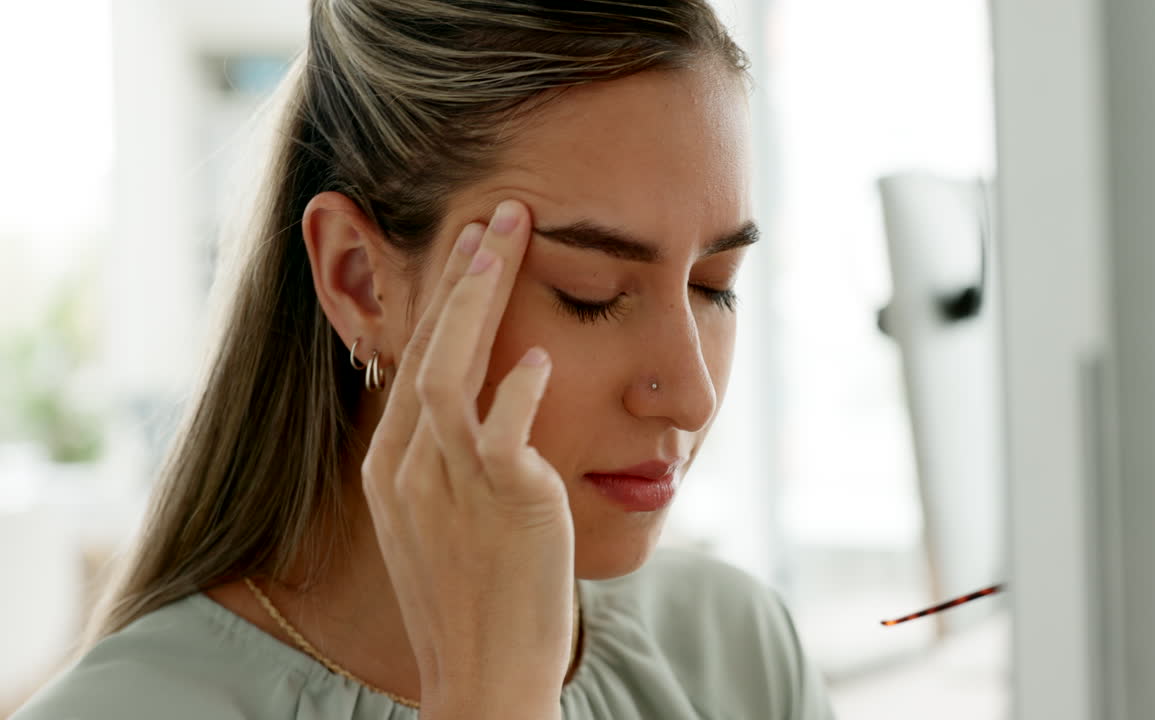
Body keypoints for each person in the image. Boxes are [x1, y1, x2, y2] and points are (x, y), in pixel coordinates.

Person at [15, 1, 835, 718]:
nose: (689, 395)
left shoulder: (738, 651)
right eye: (589, 292)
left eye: (714, 287)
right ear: (360, 281)